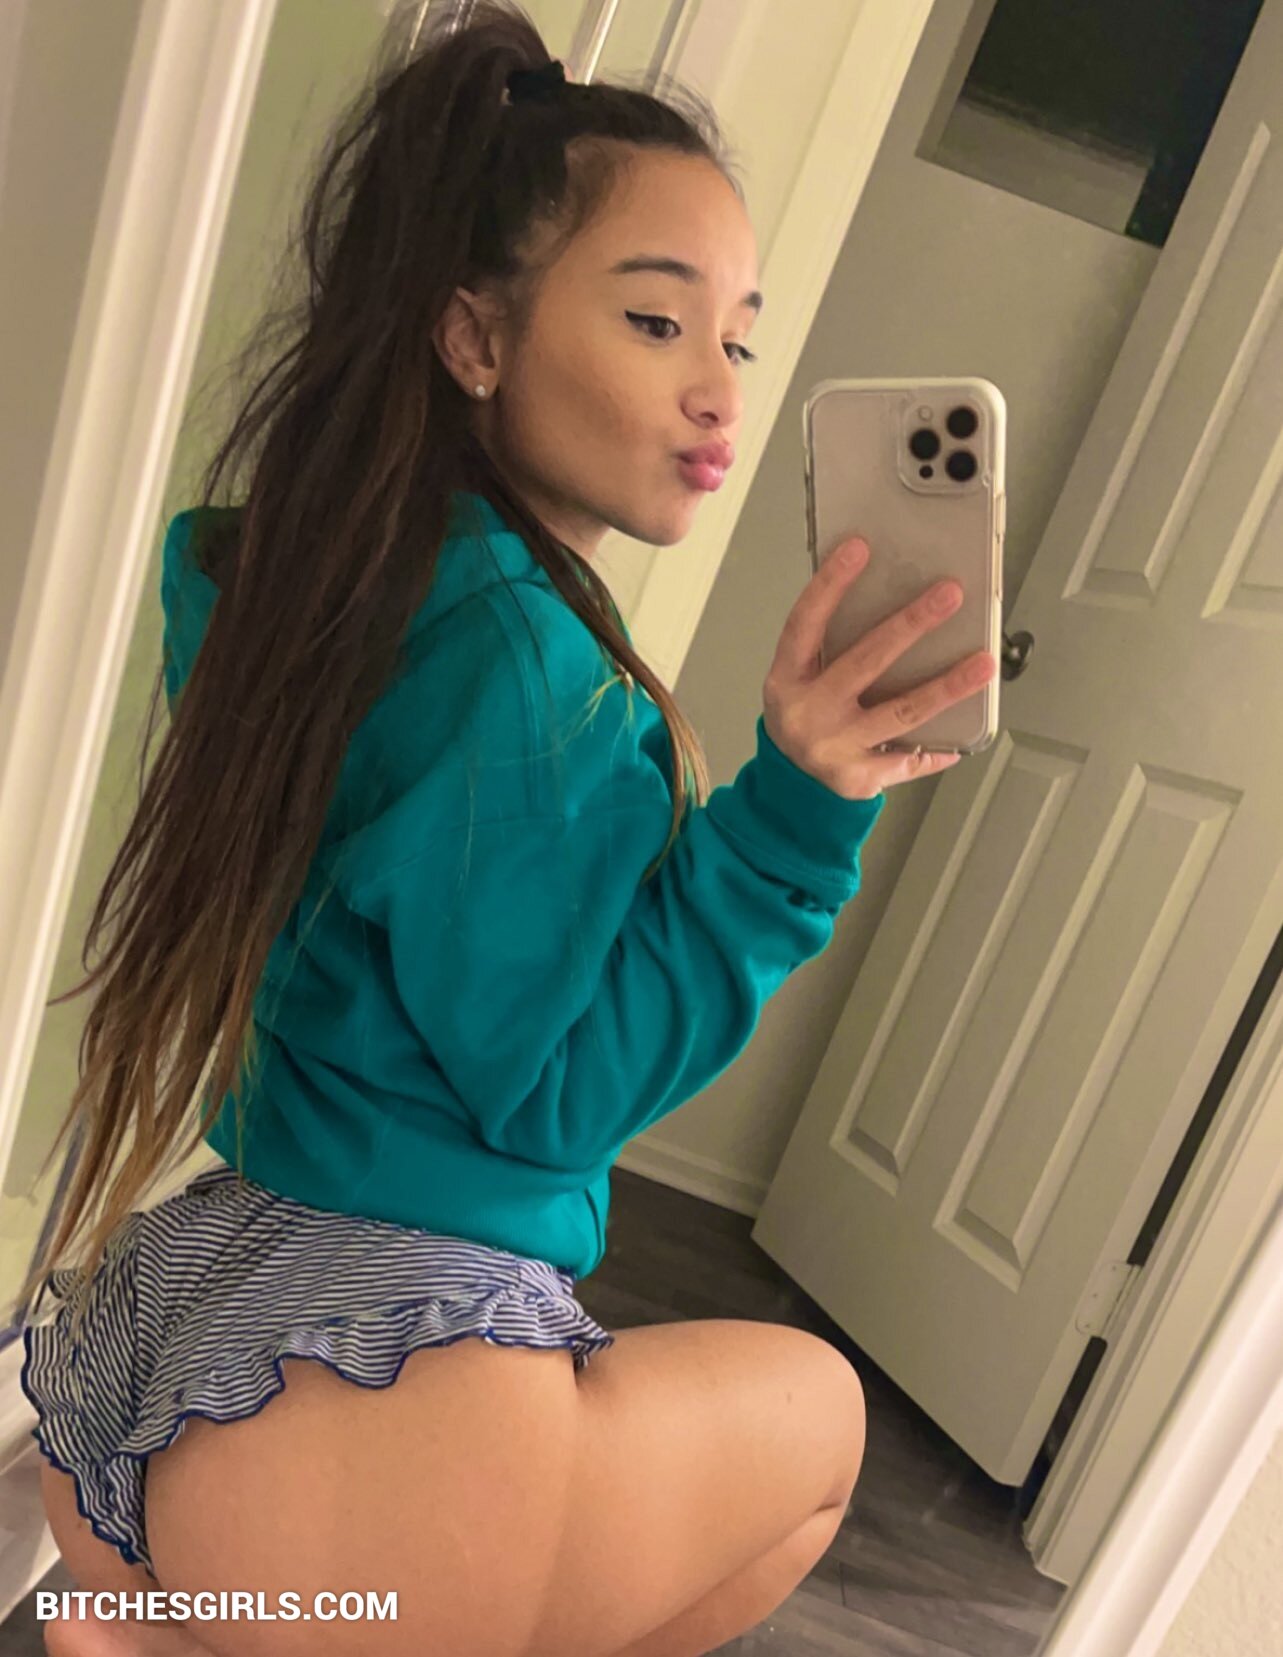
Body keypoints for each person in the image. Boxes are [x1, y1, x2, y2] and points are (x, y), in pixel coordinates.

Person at [15, 4, 995, 1655]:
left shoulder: (310, 591)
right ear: (474, 337)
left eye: (739, 343)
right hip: (383, 1457)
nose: (716, 391)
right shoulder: (528, 674)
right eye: (656, 321)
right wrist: (793, 819)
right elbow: (561, 1094)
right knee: (818, 1420)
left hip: (168, 1364)